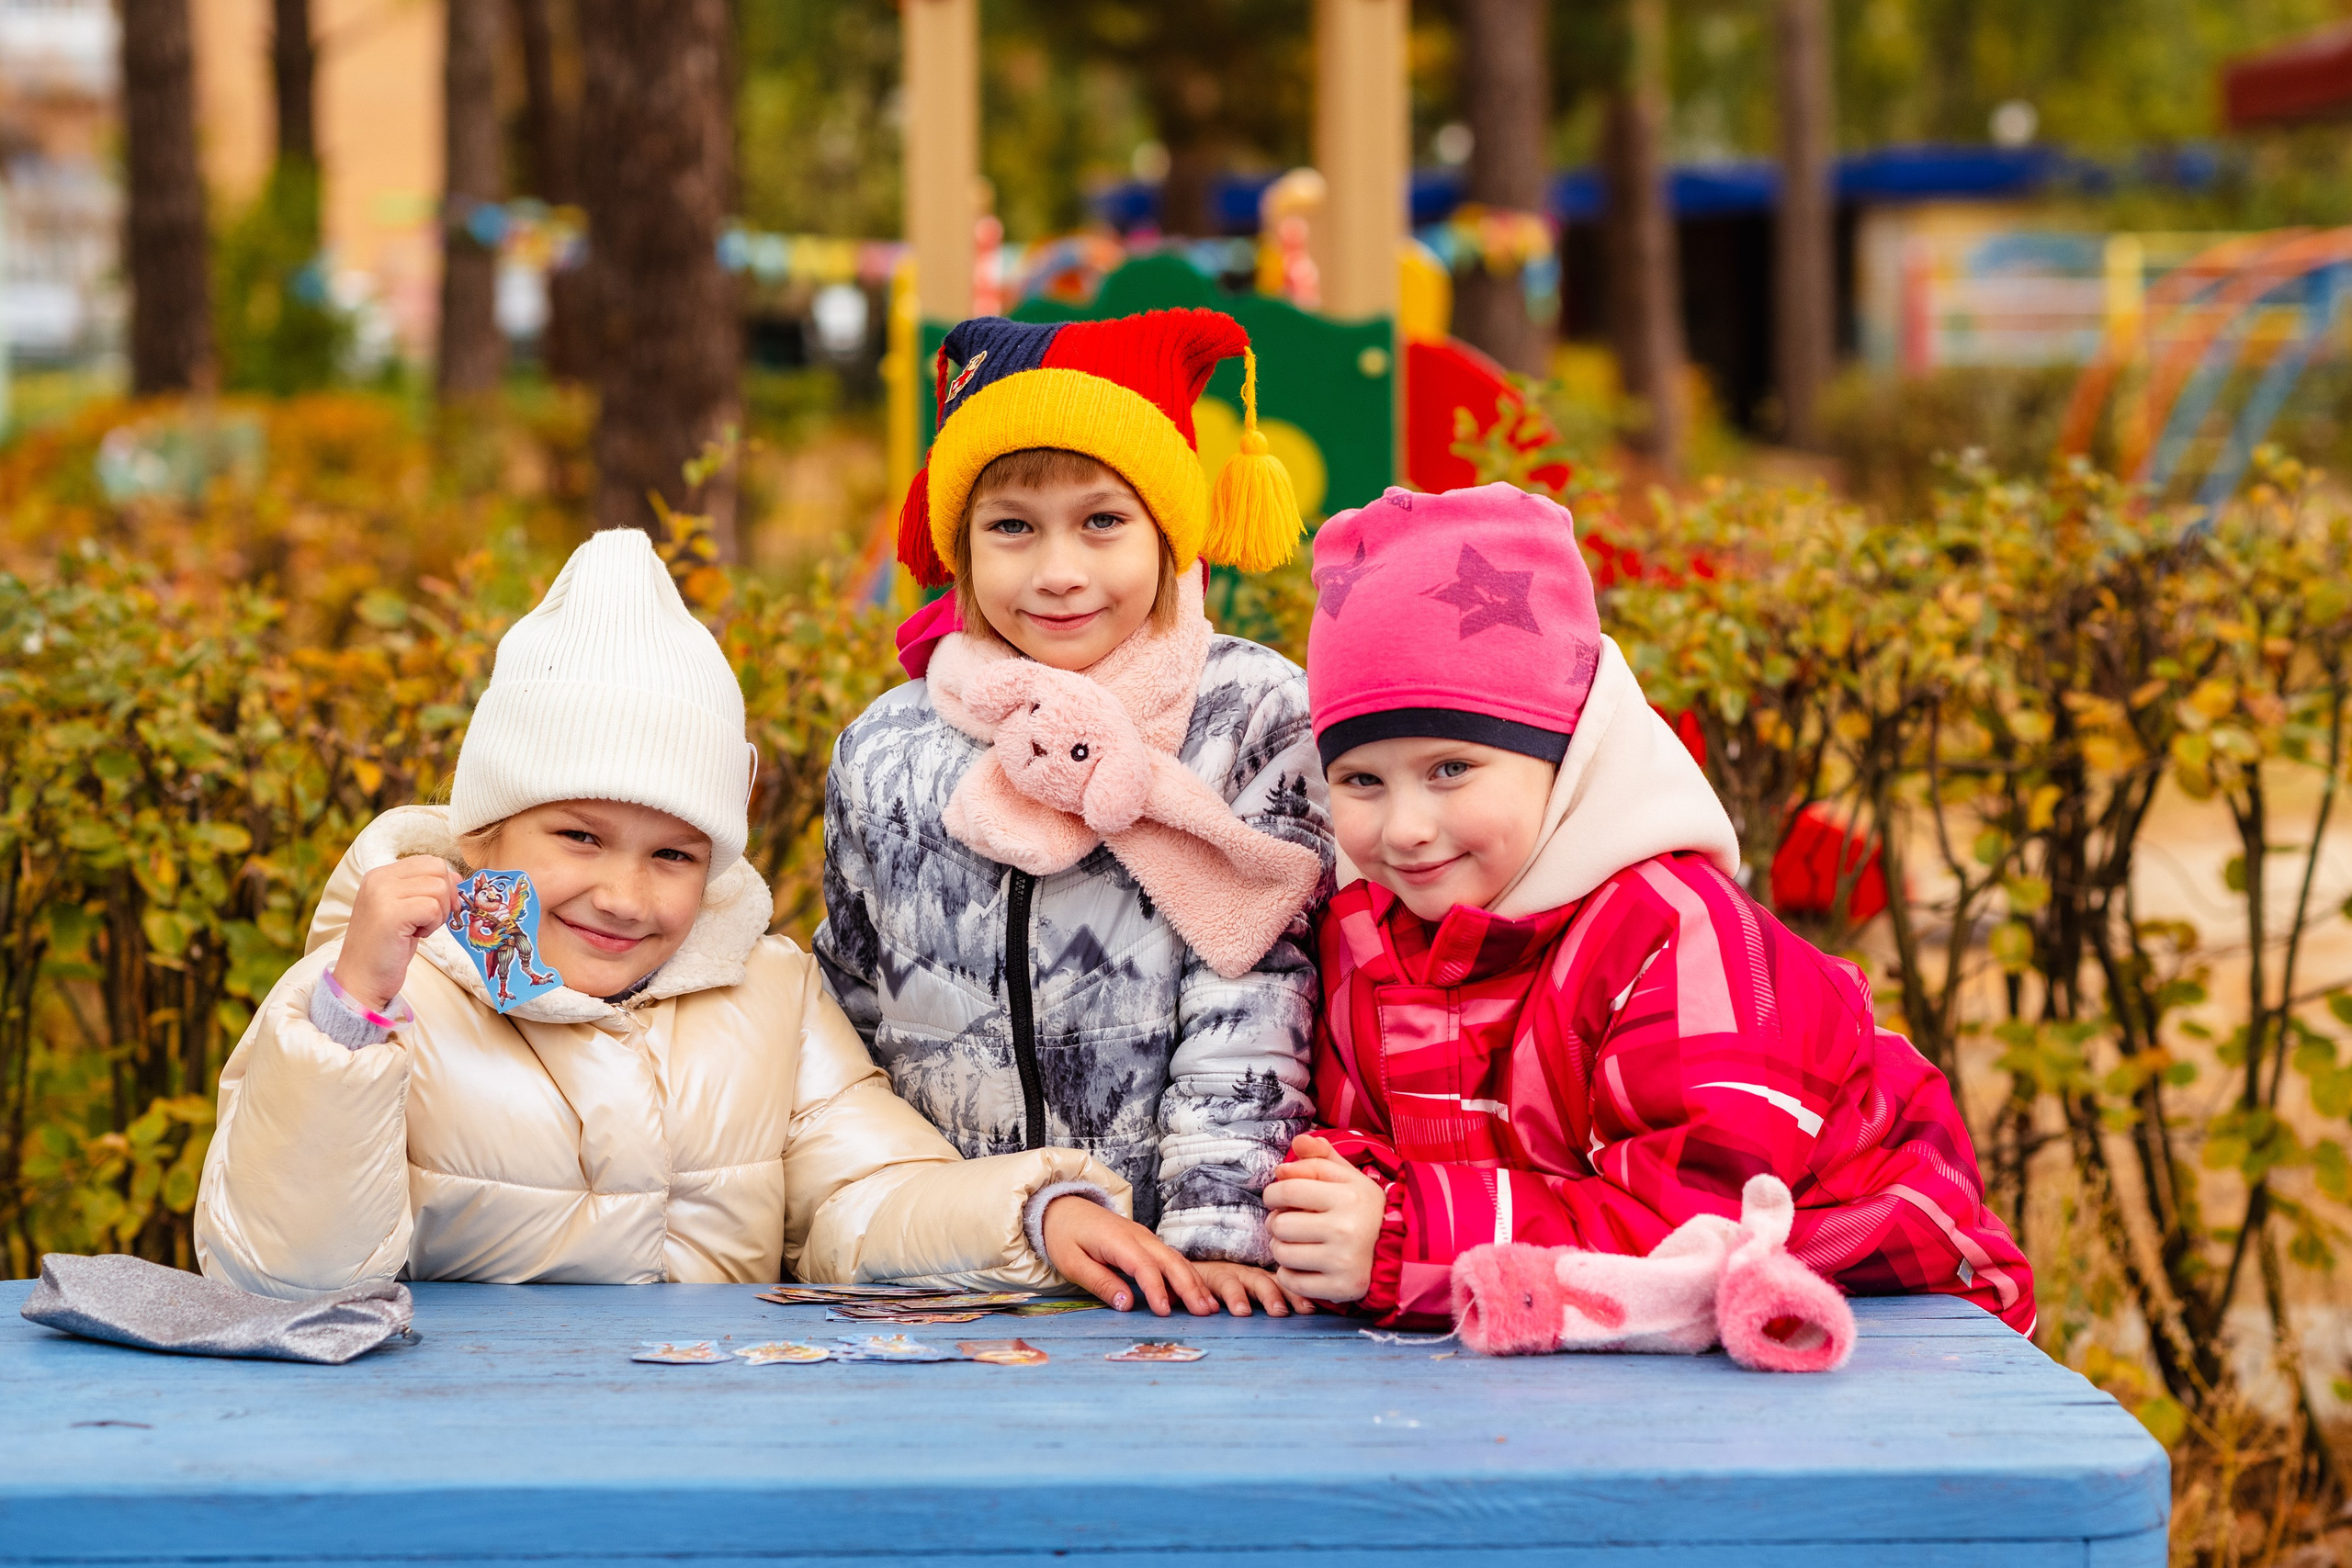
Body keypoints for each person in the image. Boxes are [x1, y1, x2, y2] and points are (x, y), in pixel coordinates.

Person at [195, 529, 1125, 1298]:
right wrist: (350, 1020)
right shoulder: (387, 1000)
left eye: (673, 855)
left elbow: (864, 1195)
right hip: (470, 1431)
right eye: (579, 837)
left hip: (703, 1437)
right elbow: (281, 1273)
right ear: (482, 834)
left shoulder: (767, 997)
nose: (624, 896)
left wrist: (1028, 1215)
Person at [1262, 483, 2035, 1335]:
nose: (1406, 827)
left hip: (1882, 1314)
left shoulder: (1675, 935)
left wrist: (1403, 1239)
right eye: (1362, 780)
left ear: (1566, 756)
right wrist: (1340, 1197)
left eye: (1451, 769)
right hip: (1595, 1334)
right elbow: (1367, 1139)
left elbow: (1694, 1227)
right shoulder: (1368, 936)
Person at [818, 308, 1333, 1318]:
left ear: (1168, 534)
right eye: (1011, 526)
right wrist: (920, 1222)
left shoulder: (1246, 717)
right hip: (954, 1269)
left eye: (1103, 521)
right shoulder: (888, 748)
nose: (1058, 571)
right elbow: (852, 1018)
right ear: (961, 546)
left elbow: (1257, 989)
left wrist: (1215, 1231)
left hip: (1177, 1276)